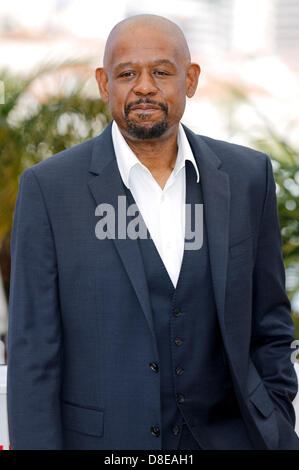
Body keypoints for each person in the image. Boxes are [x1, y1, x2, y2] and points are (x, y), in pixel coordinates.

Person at [7, 14, 299, 450]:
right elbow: (33, 355)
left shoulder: (247, 177)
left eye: (161, 71)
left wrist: (274, 417)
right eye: (127, 74)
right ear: (105, 85)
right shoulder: (49, 189)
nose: (144, 86)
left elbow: (270, 322)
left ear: (191, 79)